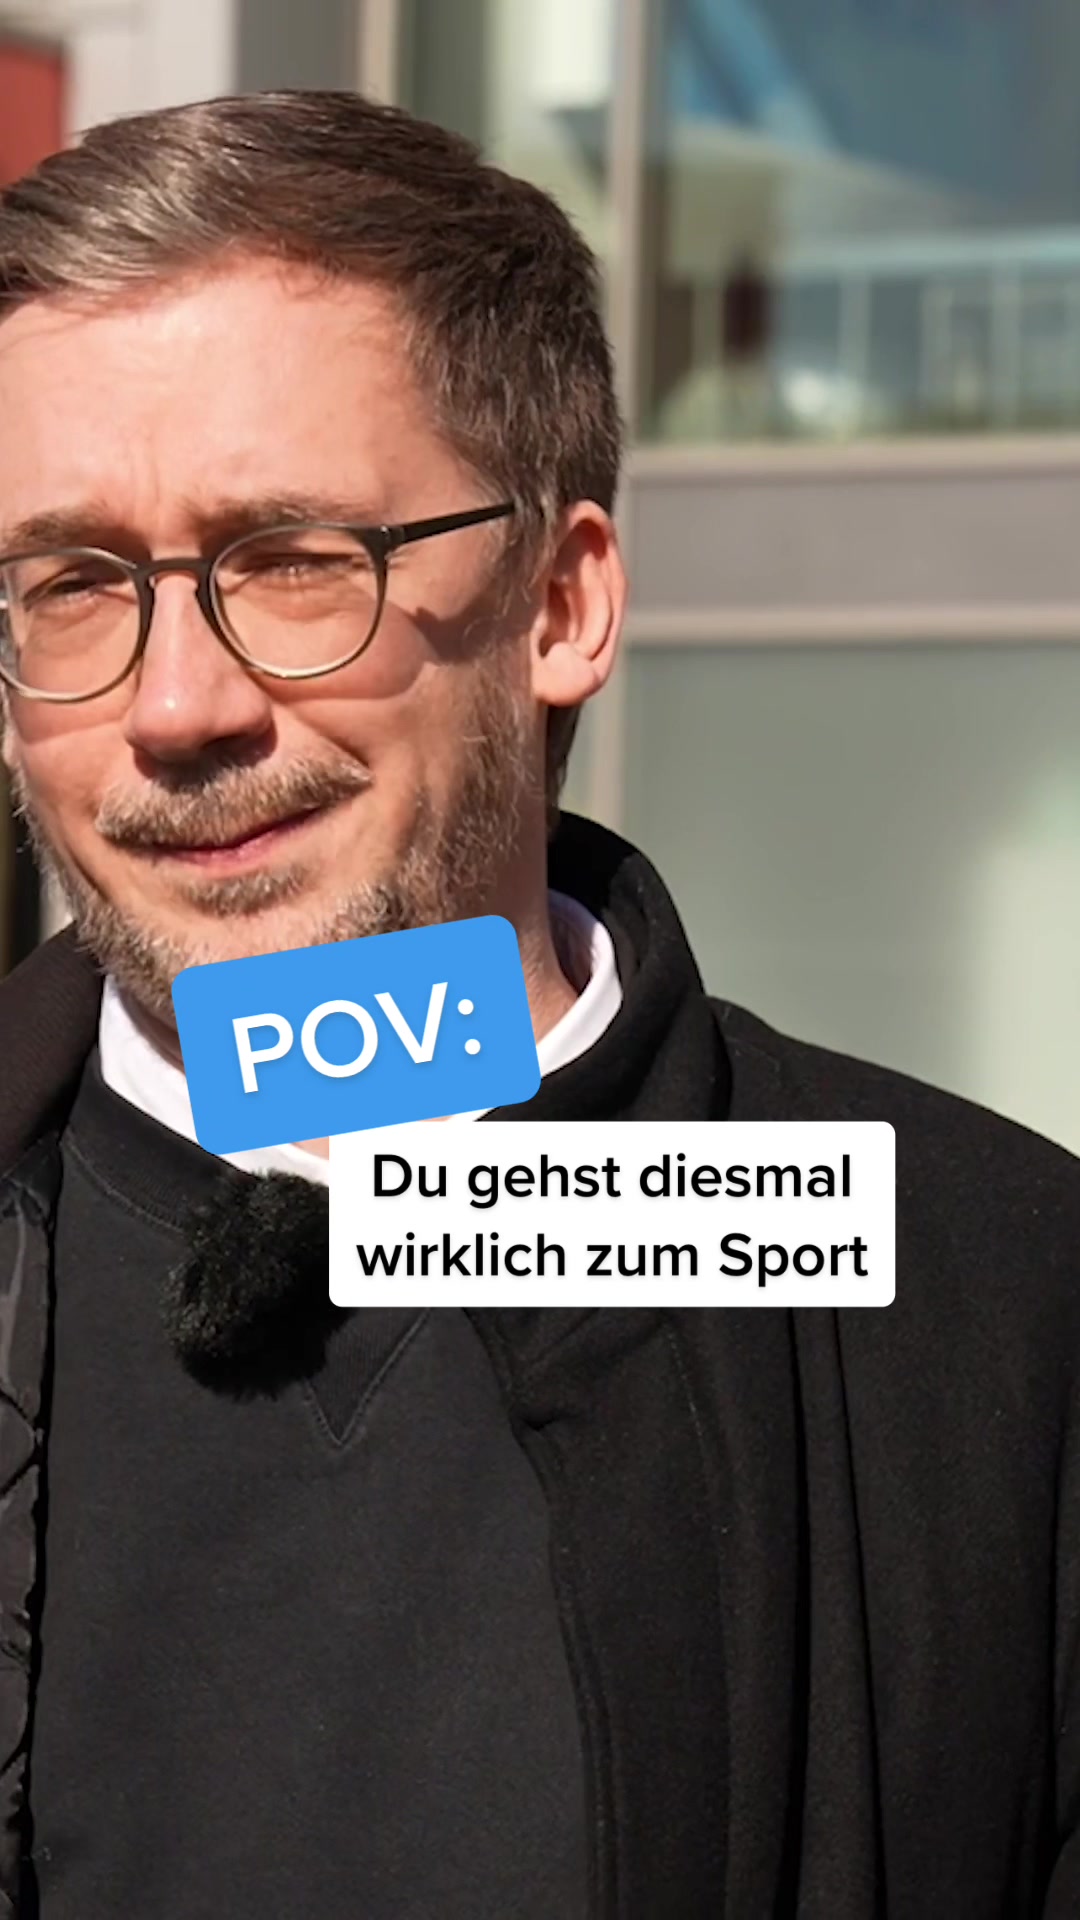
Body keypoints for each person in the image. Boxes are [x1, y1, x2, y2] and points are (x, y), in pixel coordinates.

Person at [0, 89, 1076, 1920]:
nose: (177, 706)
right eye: (76, 586)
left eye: (295, 560)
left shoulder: (986, 1300)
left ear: (562, 605)